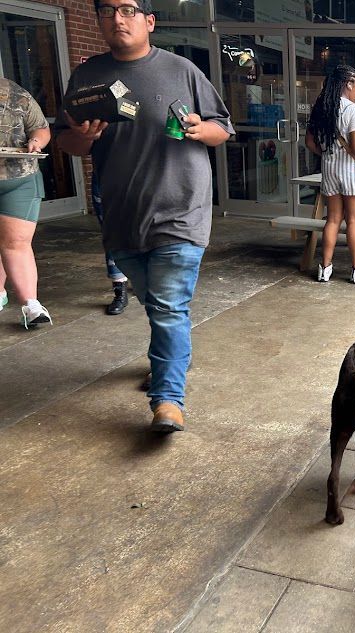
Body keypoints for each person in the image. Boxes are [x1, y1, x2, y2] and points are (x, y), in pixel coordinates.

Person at [55, 0, 234, 433]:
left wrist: (198, 127)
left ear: (149, 21)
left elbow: (222, 128)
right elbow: (66, 142)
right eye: (107, 10)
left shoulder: (182, 70)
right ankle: (168, 363)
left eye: (129, 9)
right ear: (98, 19)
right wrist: (81, 137)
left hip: (180, 212)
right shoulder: (87, 76)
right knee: (158, 307)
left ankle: (168, 400)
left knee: (170, 307)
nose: (119, 18)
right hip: (121, 216)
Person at [305, 64, 355, 284]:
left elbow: (309, 142)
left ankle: (325, 268)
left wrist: (327, 154)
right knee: (352, 222)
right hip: (351, 171)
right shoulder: (353, 110)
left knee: (332, 220)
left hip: (329, 170)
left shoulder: (321, 108)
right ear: (348, 84)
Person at [0, 78, 52, 328]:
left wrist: (36, 142)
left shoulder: (16, 93)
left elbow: (40, 128)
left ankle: (31, 304)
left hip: (18, 177)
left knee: (16, 242)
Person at [91, 170, 130, 315]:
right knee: (112, 233)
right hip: (106, 172)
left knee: (146, 231)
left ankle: (144, 280)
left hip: (147, 172)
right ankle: (120, 288)